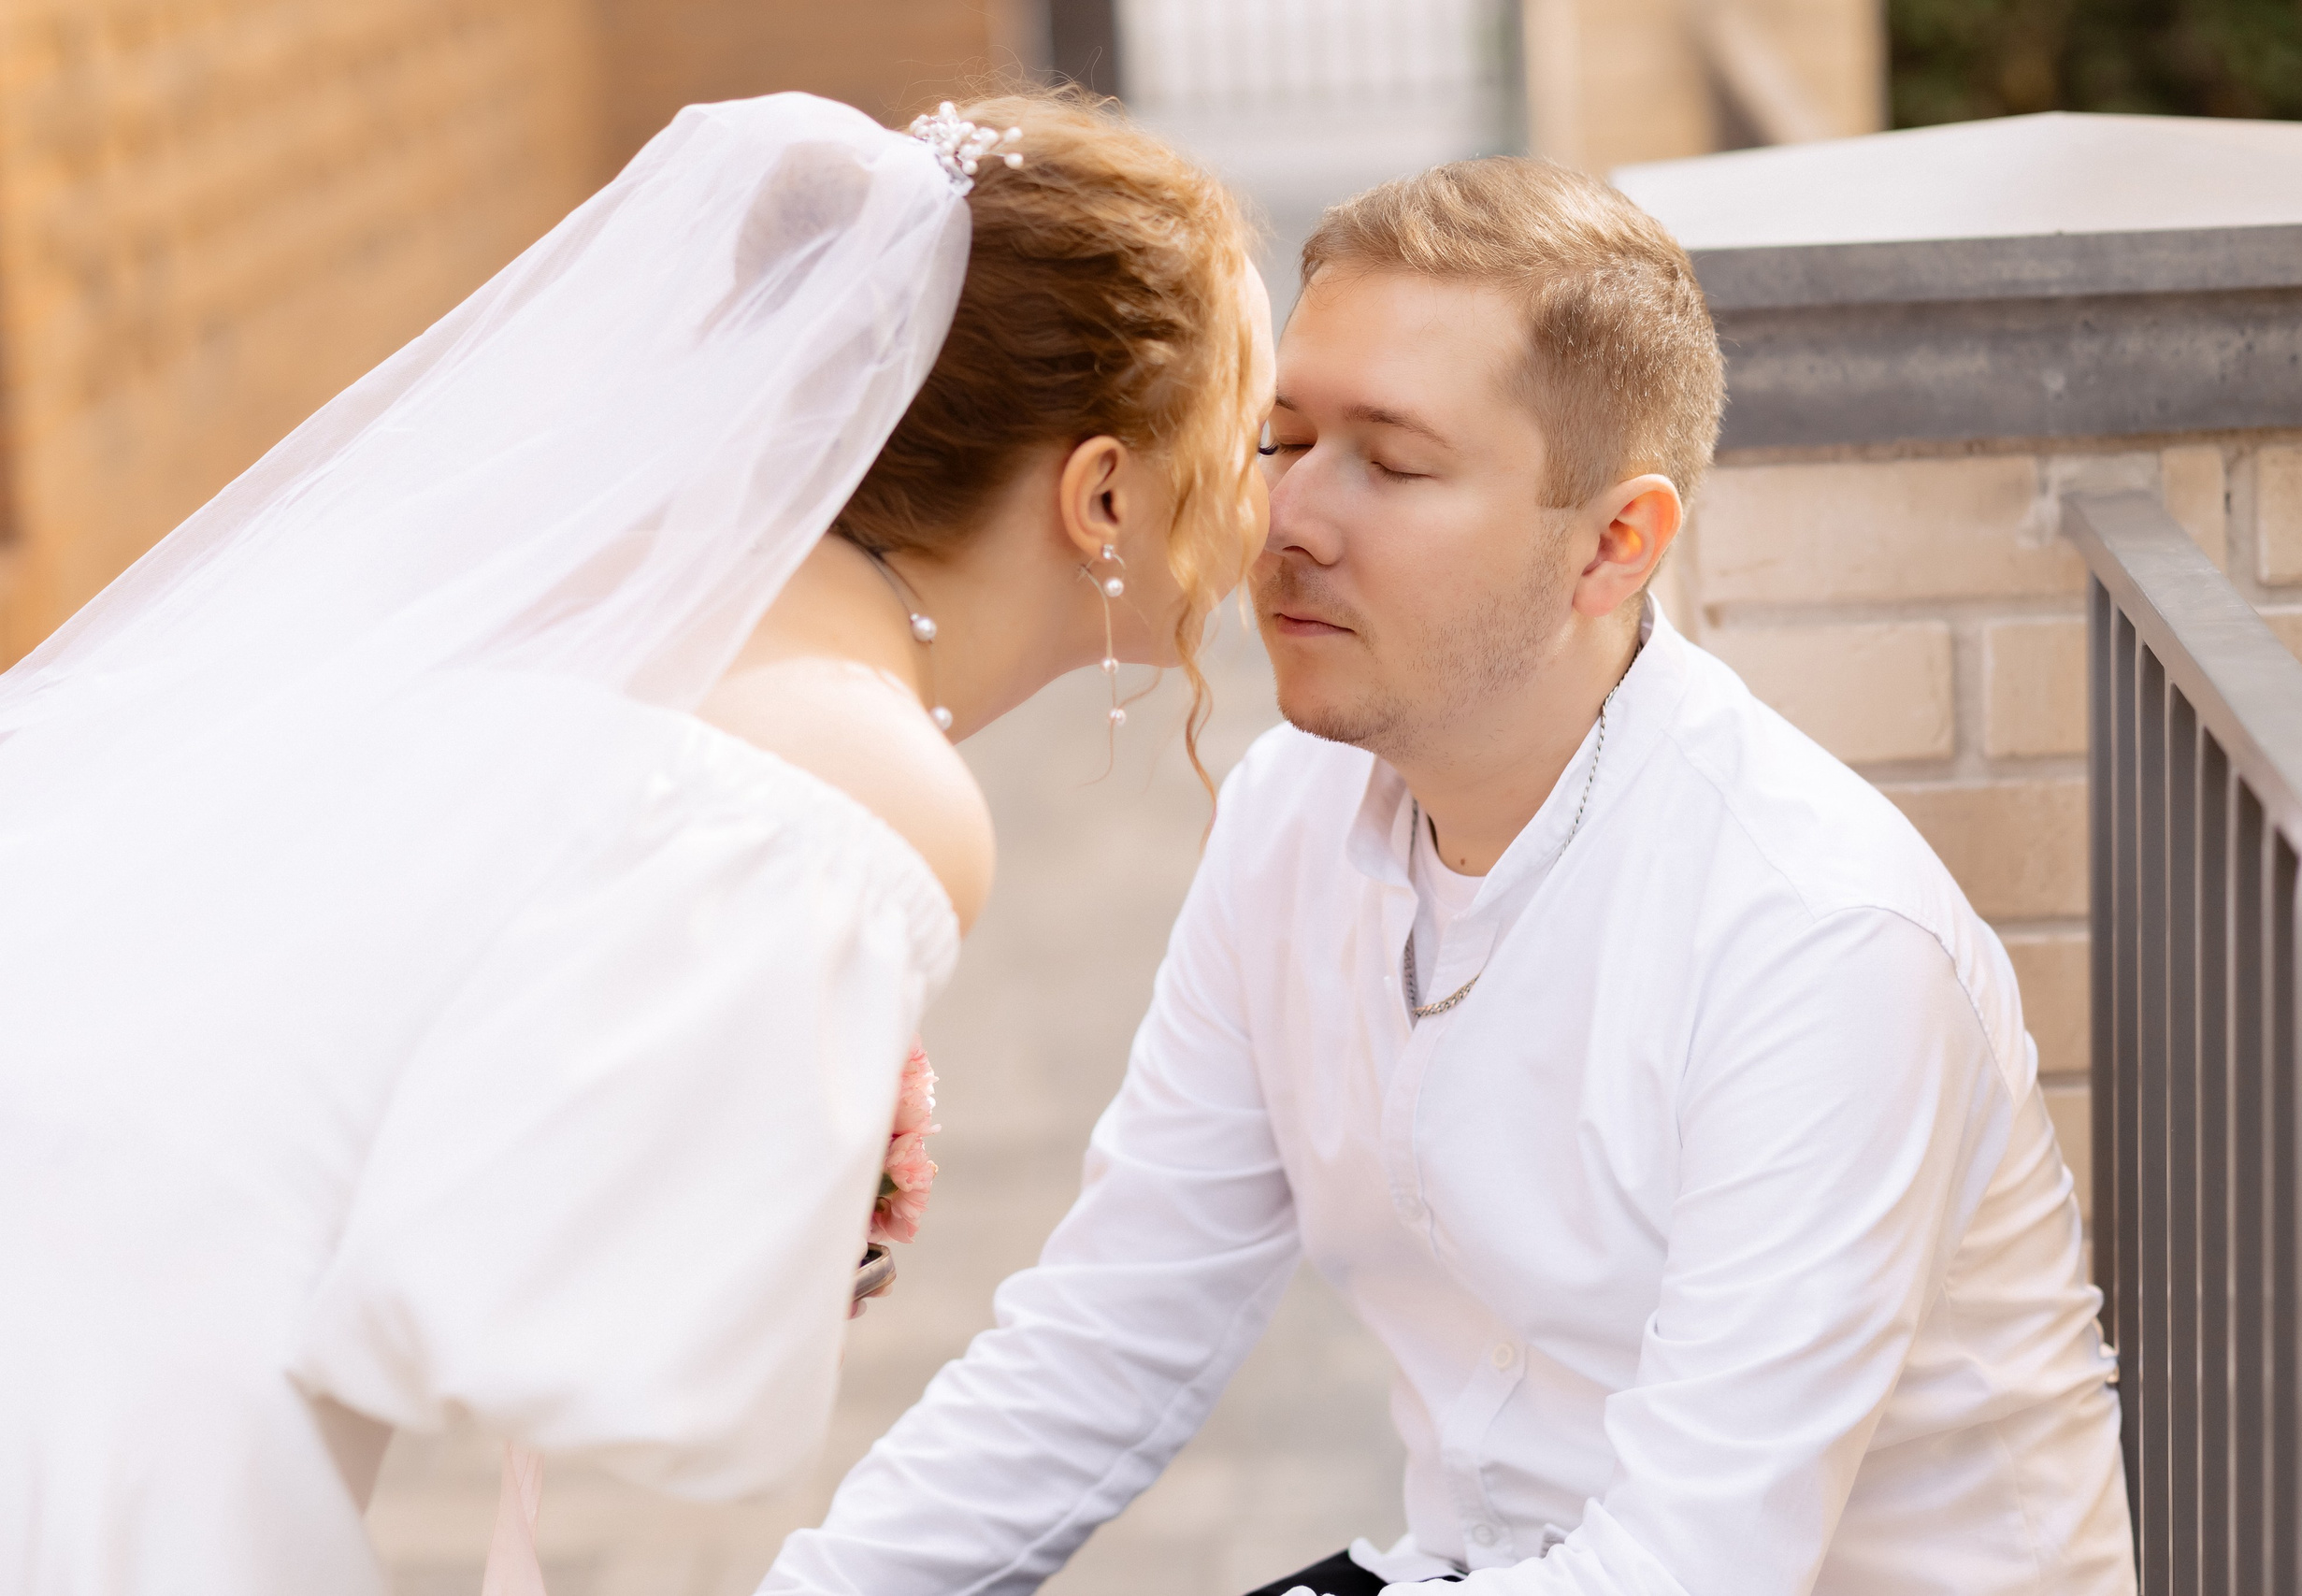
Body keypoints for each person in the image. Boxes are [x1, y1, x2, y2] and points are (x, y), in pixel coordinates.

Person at [762, 159, 2135, 1596]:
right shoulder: (1291, 817)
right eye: (1281, 440)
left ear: (1615, 545)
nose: (1289, 518)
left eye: (1395, 463)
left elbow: (1695, 1567)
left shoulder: (1816, 935)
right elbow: (1110, 1334)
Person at [0, 89, 1273, 1594]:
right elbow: (579, 1356)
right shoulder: (864, 773)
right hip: (109, 1421)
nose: (1280, 499)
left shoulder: (590, 610)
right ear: (1106, 491)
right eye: (1260, 438)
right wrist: (782, 1195)